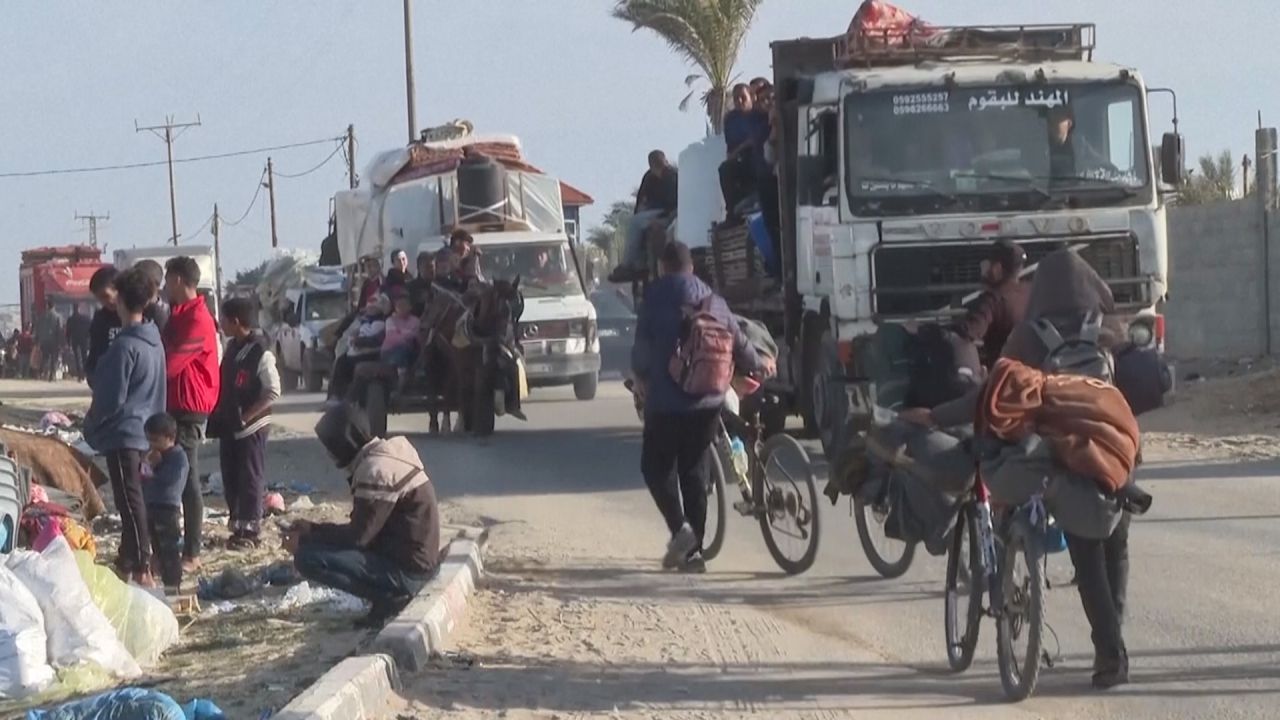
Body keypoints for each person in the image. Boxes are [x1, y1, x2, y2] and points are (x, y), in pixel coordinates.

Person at [902, 250, 1135, 689]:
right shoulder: (1109, 330)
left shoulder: (1031, 336)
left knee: (1085, 550)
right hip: (1116, 450)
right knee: (1115, 542)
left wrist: (936, 417)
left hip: (1065, 452)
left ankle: (1110, 655)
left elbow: (991, 395)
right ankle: (1113, 639)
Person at [631, 242, 769, 572]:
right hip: (708, 401)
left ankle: (682, 531)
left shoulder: (655, 297)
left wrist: (640, 379)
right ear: (691, 267)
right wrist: (758, 365)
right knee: (693, 471)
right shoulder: (713, 299)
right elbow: (739, 342)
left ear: (663, 268)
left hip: (665, 404)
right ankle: (694, 556)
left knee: (655, 469)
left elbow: (641, 352)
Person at [288, 401, 441, 627]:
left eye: (331, 447)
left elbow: (358, 537)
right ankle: (386, 598)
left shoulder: (376, 470)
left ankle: (388, 600)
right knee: (318, 546)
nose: (331, 455)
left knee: (308, 558)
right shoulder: (390, 452)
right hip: (409, 558)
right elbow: (365, 527)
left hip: (409, 573)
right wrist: (313, 528)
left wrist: (306, 538)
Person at [83, 266, 166, 585]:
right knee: (139, 501)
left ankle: (143, 565)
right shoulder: (153, 340)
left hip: (124, 434)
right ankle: (132, 561)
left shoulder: (124, 347)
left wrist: (90, 426)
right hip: (146, 431)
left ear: (120, 302)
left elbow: (110, 399)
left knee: (130, 505)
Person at [162, 256, 221, 572]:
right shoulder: (178, 315)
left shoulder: (197, 319)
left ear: (179, 280)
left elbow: (170, 364)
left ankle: (193, 552)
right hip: (176, 405)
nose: (164, 287)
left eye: (168, 280)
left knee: (187, 479)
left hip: (190, 408)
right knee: (176, 476)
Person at [208, 297, 281, 549]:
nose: (221, 326)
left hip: (251, 427)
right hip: (231, 426)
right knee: (231, 476)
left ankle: (250, 531)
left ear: (235, 322)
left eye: (225, 320)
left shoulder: (261, 352)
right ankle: (237, 525)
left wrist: (246, 416)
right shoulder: (232, 349)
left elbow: (273, 391)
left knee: (250, 477)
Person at [954, 240, 1030, 370]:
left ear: (997, 268)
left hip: (1005, 378)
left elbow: (968, 332)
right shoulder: (1031, 291)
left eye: (988, 265)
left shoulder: (992, 299)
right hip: (1036, 375)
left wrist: (928, 330)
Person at [609, 151, 680, 283]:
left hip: (668, 213)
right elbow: (640, 199)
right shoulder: (649, 178)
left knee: (635, 223)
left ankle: (627, 265)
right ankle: (638, 263)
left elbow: (676, 204)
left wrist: (658, 220)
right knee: (637, 223)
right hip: (653, 212)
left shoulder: (673, 177)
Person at [142, 413, 188, 593]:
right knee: (158, 549)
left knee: (170, 549)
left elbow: (170, 480)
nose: (151, 445)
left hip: (167, 509)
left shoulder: (178, 457)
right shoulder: (155, 455)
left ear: (169, 437)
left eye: (155, 440)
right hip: (152, 507)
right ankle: (162, 581)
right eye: (149, 440)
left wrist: (152, 468)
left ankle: (173, 586)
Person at [719, 83, 770, 214]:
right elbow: (731, 148)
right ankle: (732, 213)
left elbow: (756, 139)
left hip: (759, 155)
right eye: (736, 99)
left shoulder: (760, 115)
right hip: (741, 158)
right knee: (725, 169)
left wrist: (743, 146)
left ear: (752, 97)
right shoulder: (731, 120)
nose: (740, 101)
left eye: (743, 97)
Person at [328, 296, 389, 403]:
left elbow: (377, 339)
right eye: (368, 308)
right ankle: (337, 395)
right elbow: (353, 334)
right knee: (340, 362)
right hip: (357, 352)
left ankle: (346, 397)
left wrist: (359, 341)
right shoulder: (364, 321)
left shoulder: (382, 323)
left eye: (372, 308)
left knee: (347, 365)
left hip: (372, 354)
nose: (369, 310)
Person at [381, 292, 420, 375]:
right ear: (395, 308)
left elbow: (414, 335)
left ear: (410, 307)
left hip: (408, 351)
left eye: (405, 305)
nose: (402, 308)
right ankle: (401, 380)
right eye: (399, 306)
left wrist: (399, 332)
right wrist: (406, 334)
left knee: (405, 350)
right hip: (388, 351)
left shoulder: (415, 321)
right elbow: (391, 338)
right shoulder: (390, 320)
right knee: (401, 350)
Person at [35, 300, 63, 381]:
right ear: (54, 306)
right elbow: (59, 330)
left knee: (45, 358)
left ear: (47, 305)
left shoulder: (42, 316)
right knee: (54, 358)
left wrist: (38, 339)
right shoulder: (57, 316)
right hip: (54, 341)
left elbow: (38, 328)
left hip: (44, 341)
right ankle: (52, 375)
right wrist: (61, 342)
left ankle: (44, 373)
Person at [406, 251, 437, 317]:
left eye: (432, 266)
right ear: (419, 268)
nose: (431, 270)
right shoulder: (410, 287)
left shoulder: (440, 286)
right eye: (427, 267)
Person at [66, 304, 91, 380]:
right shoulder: (85, 318)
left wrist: (68, 342)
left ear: (73, 309)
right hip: (83, 339)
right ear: (79, 308)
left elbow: (68, 332)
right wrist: (88, 338)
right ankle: (86, 373)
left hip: (75, 339)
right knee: (84, 357)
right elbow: (90, 329)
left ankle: (79, 374)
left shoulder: (70, 319)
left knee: (77, 357)